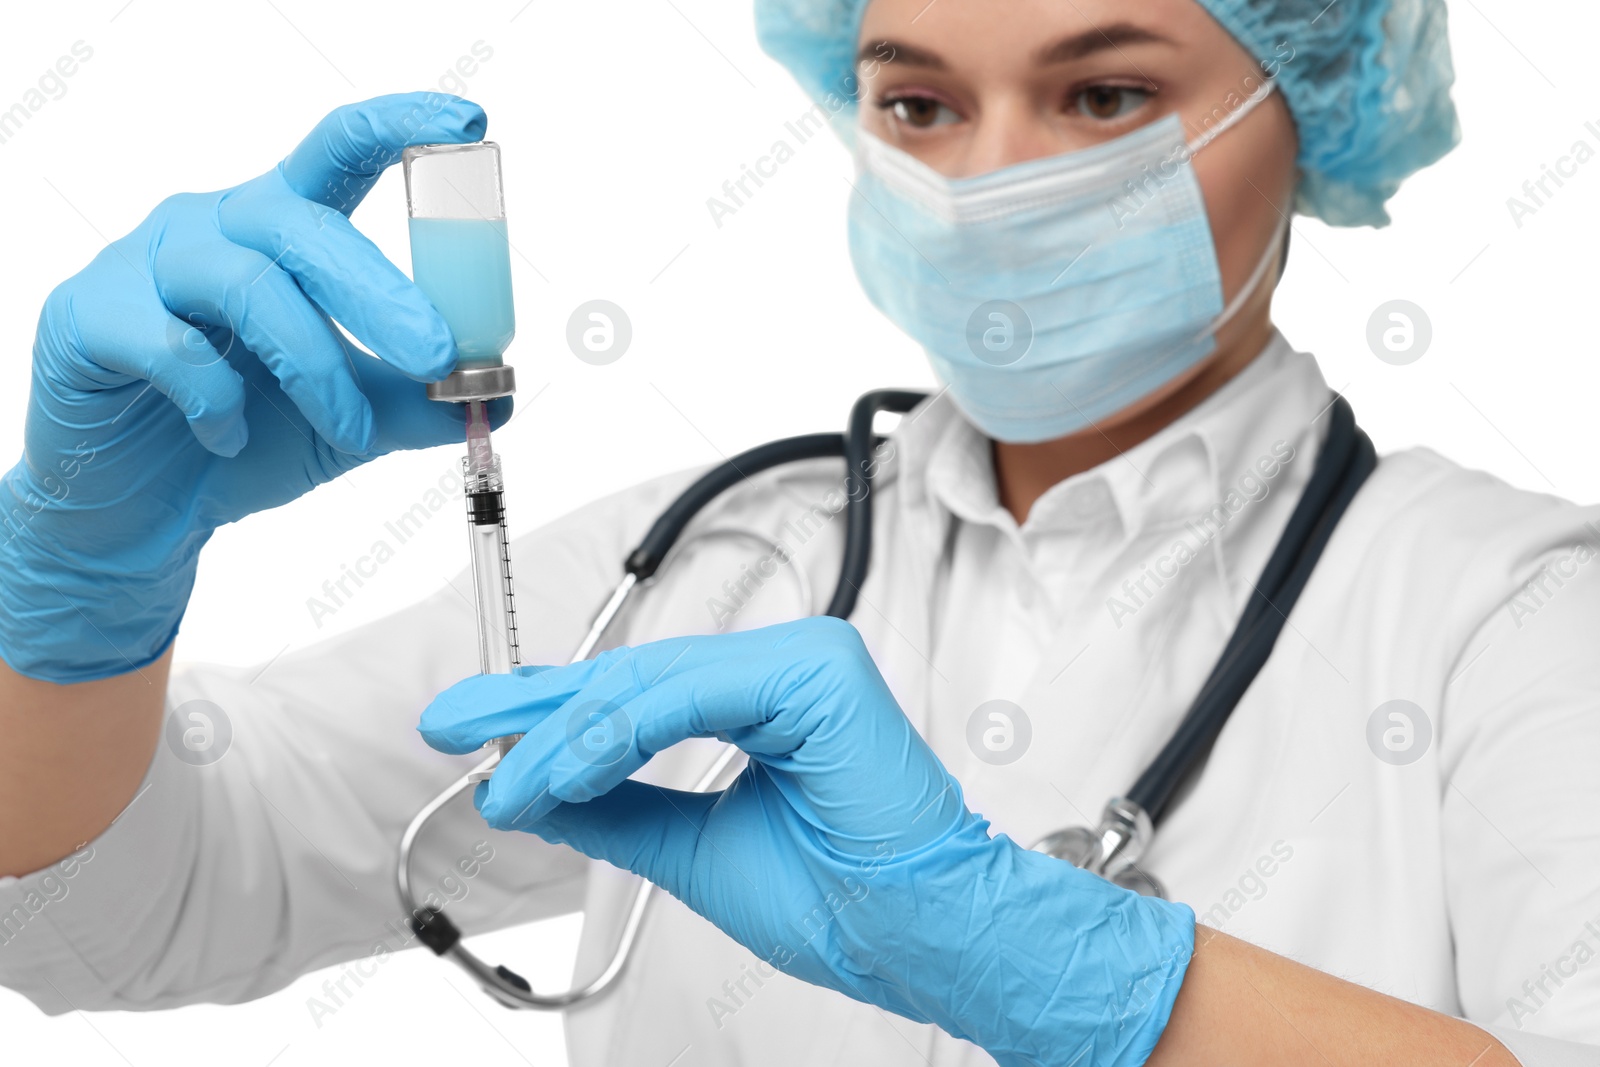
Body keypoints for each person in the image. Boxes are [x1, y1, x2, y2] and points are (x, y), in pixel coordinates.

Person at [1, 0, 1596, 1064]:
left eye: (1105, 94)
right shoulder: (707, 559)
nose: (987, 181)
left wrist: (1105, 985)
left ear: (1309, 105)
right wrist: (77, 605)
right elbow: (134, 912)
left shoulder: (1511, 614)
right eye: (916, 100)